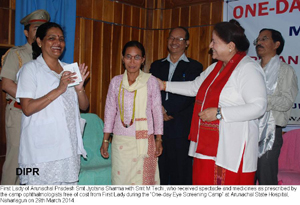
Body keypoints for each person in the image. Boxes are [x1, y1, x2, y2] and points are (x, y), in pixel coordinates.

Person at [158, 20, 267, 185]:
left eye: (214, 41)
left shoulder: (247, 69)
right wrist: (164, 85)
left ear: (230, 45)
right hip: (206, 146)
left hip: (232, 148)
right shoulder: (215, 68)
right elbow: (195, 87)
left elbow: (259, 107)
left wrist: (219, 113)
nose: (210, 45)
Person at [15, 22, 89, 185]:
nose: (58, 42)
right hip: (40, 151)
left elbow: (84, 106)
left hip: (68, 148)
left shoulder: (68, 69)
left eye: (61, 39)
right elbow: (27, 108)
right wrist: (59, 89)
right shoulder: (30, 69)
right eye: (52, 38)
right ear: (39, 42)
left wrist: (79, 89)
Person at [100, 41, 163, 185]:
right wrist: (105, 140)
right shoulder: (116, 82)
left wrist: (159, 139)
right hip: (121, 141)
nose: (132, 61)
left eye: (137, 57)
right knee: (120, 179)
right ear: (122, 58)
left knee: (142, 182)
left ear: (143, 60)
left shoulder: (151, 81)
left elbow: (157, 111)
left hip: (144, 141)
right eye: (128, 56)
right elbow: (110, 111)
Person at [0, 9, 50, 185]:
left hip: (42, 116)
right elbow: (6, 84)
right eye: (36, 28)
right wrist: (30, 101)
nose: (40, 32)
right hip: (20, 113)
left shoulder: (49, 57)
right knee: (15, 161)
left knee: (35, 160)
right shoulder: (16, 54)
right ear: (26, 32)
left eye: (44, 28)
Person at [150, 27, 203, 185]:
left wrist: (168, 109)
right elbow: (151, 91)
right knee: (160, 171)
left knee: (182, 173)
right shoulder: (156, 65)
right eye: (171, 38)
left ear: (187, 43)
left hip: (181, 127)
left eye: (179, 39)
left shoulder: (195, 67)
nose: (174, 42)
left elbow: (190, 94)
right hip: (159, 128)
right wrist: (159, 109)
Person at [255, 28, 298, 185]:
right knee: (245, 181)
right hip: (248, 130)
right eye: (258, 40)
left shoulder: (286, 70)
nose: (259, 43)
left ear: (276, 44)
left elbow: (286, 102)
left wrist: (259, 100)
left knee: (266, 181)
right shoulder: (252, 69)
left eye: (264, 39)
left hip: (270, 132)